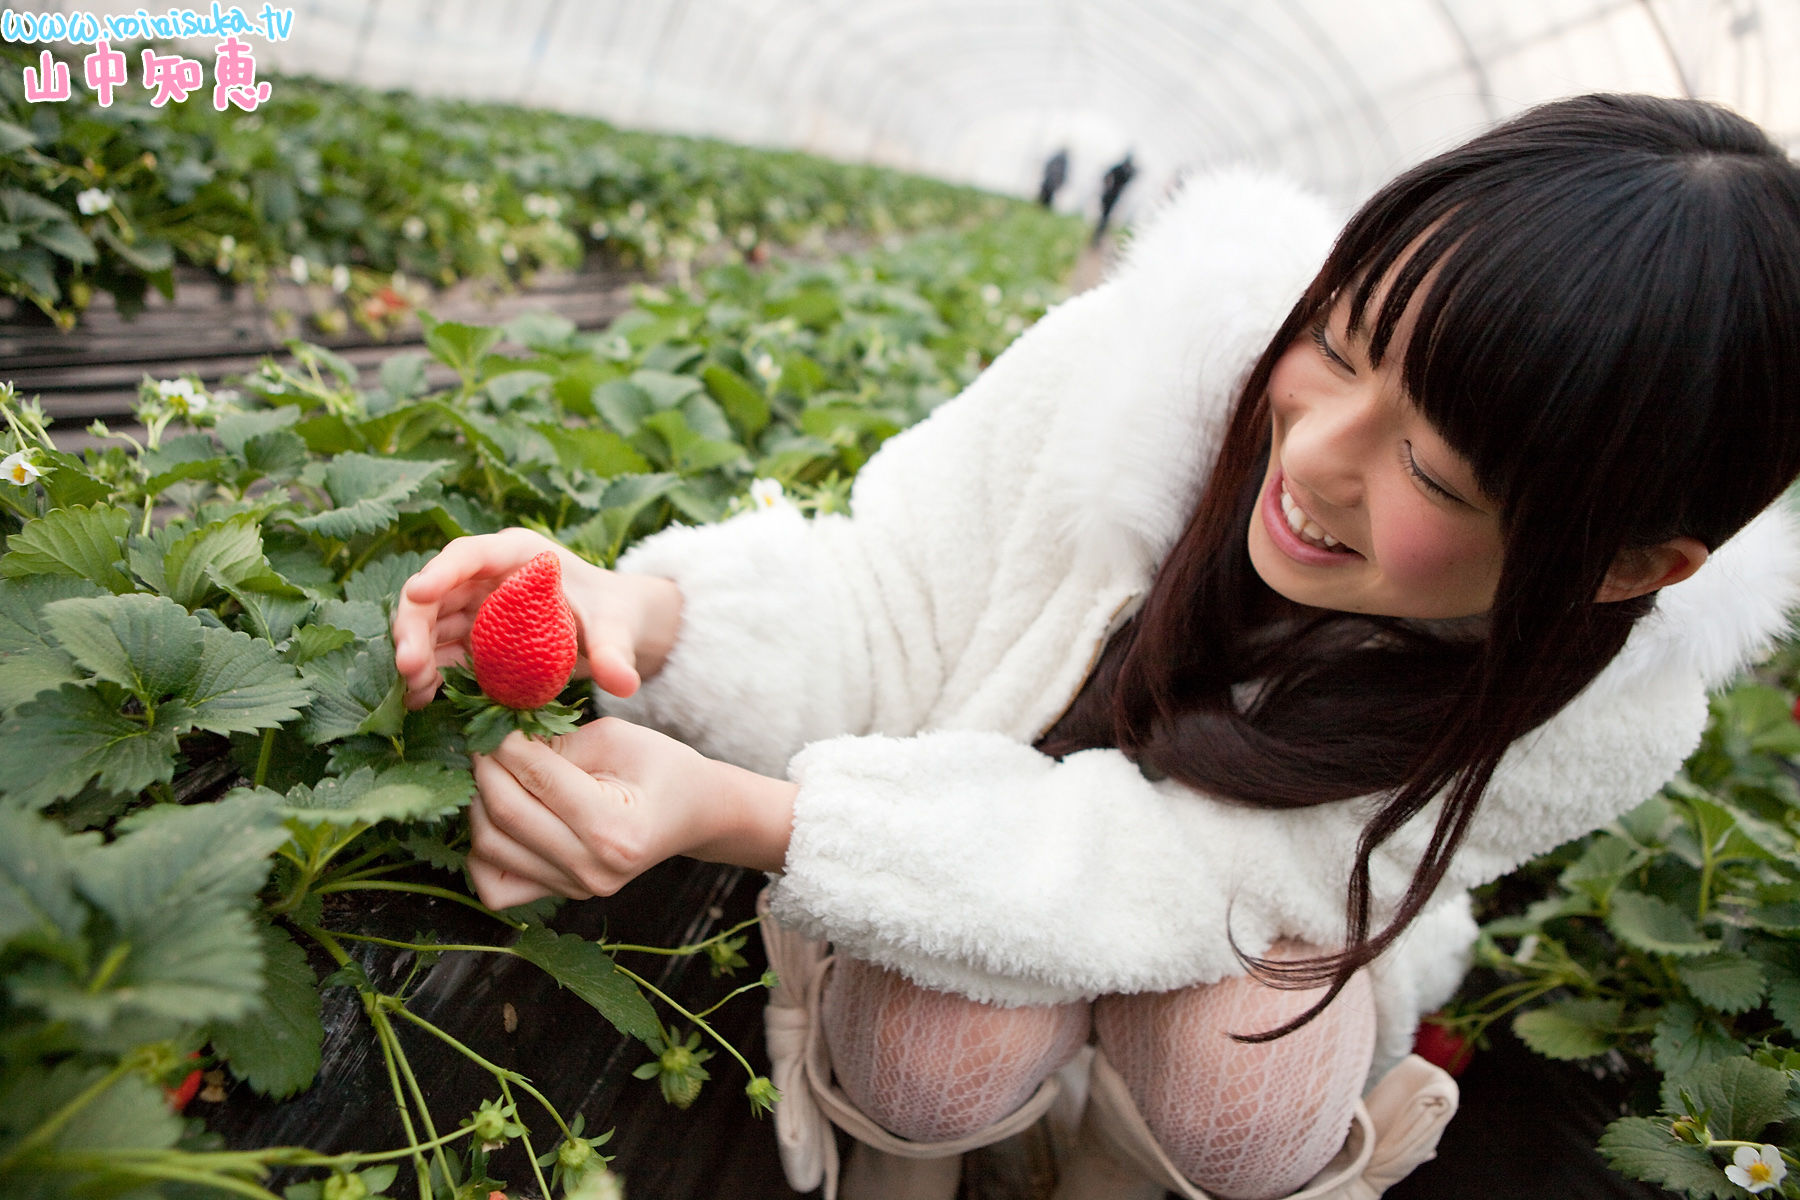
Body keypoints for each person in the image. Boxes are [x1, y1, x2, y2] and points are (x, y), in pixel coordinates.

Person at [392, 94, 1800, 1200]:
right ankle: (911, 1161)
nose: (1312, 454)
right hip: (981, 860)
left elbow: (1194, 877)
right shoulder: (1146, 371)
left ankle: (1122, 1180)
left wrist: (751, 818)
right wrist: (649, 615)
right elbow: (894, 592)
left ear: (1628, 569)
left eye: (1436, 474)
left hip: (1243, 951)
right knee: (935, 1041)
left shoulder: (1594, 709)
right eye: (1342, 342)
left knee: (1240, 1069)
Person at [1094, 150, 1137, 243]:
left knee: (1105, 217)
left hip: (1114, 196)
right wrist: (1107, 186)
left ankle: (1099, 235)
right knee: (1104, 217)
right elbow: (1106, 176)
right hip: (1110, 195)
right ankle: (1097, 235)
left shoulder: (1125, 170)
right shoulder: (1120, 169)